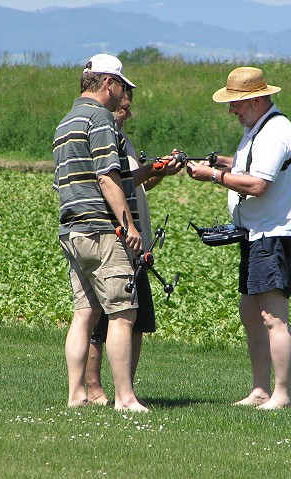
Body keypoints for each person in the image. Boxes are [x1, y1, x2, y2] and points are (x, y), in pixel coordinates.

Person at [53, 53, 177, 412]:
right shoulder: (101, 119)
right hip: (104, 231)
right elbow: (108, 178)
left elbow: (88, 178)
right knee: (123, 315)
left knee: (84, 315)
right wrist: (130, 224)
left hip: (73, 231)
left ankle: (76, 394)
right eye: (122, 85)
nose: (123, 94)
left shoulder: (65, 122)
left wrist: (154, 170)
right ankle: (125, 398)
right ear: (108, 83)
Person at [186, 66, 291, 409]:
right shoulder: (258, 128)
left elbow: (257, 184)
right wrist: (216, 162)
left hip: (275, 235)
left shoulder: (275, 132)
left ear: (253, 100)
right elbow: (248, 165)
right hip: (255, 234)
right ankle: (260, 390)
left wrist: (212, 176)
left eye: (234, 104)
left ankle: (281, 394)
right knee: (251, 312)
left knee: (273, 316)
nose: (231, 111)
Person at [85, 89, 182, 405]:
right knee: (104, 320)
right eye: (122, 107)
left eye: (128, 108)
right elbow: (120, 181)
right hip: (115, 235)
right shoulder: (103, 136)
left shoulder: (123, 139)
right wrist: (154, 167)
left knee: (136, 318)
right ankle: (95, 389)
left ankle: (124, 388)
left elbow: (136, 179)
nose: (126, 112)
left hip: (135, 239)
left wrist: (160, 170)